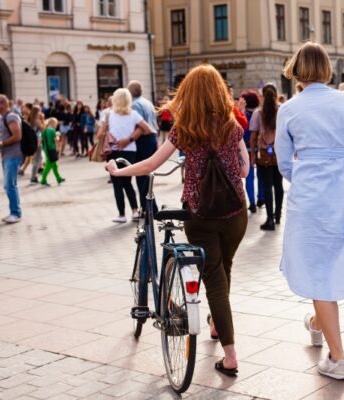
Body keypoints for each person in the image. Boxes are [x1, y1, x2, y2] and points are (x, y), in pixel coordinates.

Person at [106, 64, 249, 377]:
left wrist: (120, 171)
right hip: (237, 213)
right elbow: (244, 171)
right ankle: (215, 324)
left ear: (190, 94)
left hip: (200, 215)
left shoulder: (184, 130)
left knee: (214, 278)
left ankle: (231, 354)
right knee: (223, 271)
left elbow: (152, 163)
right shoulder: (232, 125)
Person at [275, 42, 344, 380]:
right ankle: (318, 323)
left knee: (316, 268)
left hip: (308, 194)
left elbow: (283, 162)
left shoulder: (289, 108)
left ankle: (339, 358)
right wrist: (341, 152)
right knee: (331, 262)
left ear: (296, 69)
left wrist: (307, 171)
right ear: (327, 69)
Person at [107, 88, 152, 223]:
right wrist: (131, 138)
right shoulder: (133, 114)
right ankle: (135, 211)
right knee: (128, 183)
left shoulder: (109, 114)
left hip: (114, 151)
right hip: (130, 151)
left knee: (117, 184)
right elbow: (148, 129)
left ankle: (121, 215)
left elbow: (100, 133)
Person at [250, 84, 283, 230]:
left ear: (263, 96)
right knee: (279, 185)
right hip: (279, 153)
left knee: (267, 186)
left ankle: (269, 219)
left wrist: (252, 154)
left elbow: (253, 135)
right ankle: (278, 216)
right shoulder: (281, 110)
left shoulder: (258, 113)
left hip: (264, 155)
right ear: (276, 95)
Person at [127, 80, 160, 216]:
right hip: (152, 139)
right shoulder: (147, 102)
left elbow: (141, 127)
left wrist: (129, 139)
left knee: (141, 175)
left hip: (143, 140)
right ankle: (151, 207)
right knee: (147, 176)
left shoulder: (134, 105)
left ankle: (148, 209)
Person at [0, 94, 22, 224]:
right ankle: (15, 212)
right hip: (7, 155)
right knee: (10, 185)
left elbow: (17, 136)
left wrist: (0, 144)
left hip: (13, 155)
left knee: (9, 186)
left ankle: (15, 213)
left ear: (2, 104)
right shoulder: (5, 117)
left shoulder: (11, 116)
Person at [240, 90, 264, 213]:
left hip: (245, 149)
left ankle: (252, 203)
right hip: (259, 149)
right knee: (261, 175)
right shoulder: (259, 113)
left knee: (249, 177)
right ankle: (261, 197)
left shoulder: (242, 114)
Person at [40, 118, 64, 186]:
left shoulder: (44, 131)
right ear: (53, 123)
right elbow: (56, 140)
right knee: (48, 165)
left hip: (46, 149)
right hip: (52, 149)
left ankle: (58, 178)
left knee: (54, 165)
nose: (56, 126)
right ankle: (43, 180)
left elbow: (41, 141)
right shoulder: (52, 130)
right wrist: (58, 135)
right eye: (56, 124)